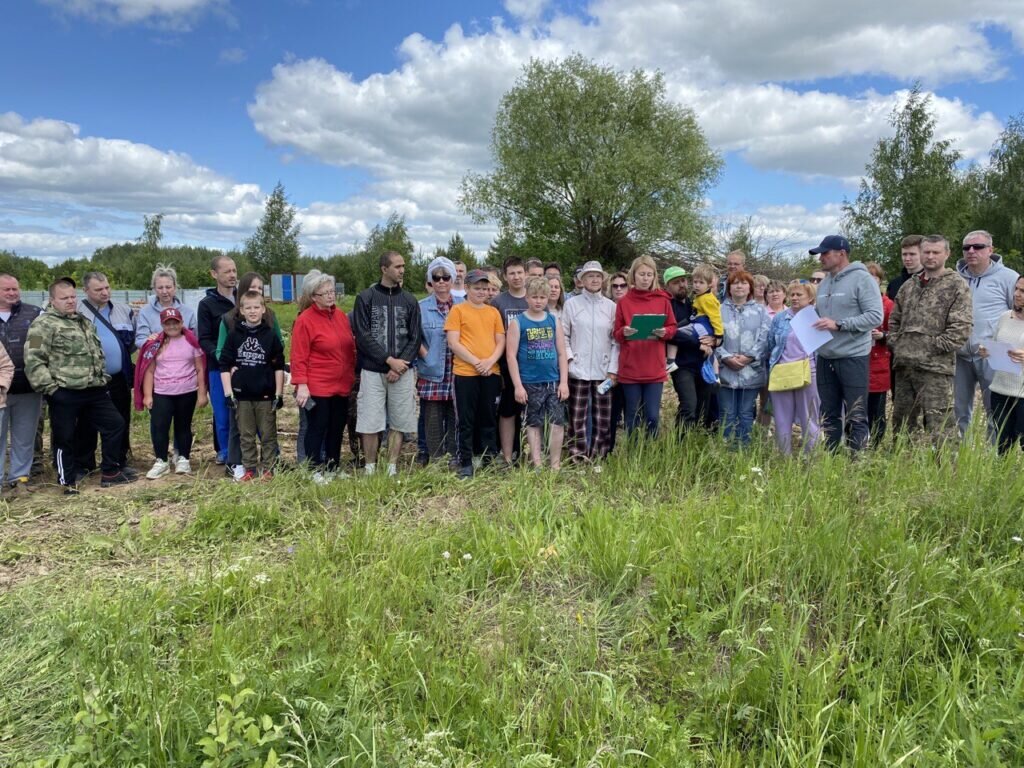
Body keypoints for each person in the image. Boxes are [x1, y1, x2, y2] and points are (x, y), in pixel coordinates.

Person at [25, 278, 133, 492]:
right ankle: (67, 481)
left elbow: (95, 354)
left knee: (115, 424)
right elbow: (33, 358)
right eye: (64, 298)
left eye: (73, 297)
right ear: (53, 300)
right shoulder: (41, 325)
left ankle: (110, 471)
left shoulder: (82, 321)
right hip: (64, 391)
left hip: (94, 390)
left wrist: (101, 378)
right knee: (65, 437)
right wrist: (51, 390)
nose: (70, 301)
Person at [888, 235, 973, 445]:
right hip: (904, 366)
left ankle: (945, 473)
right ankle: (905, 467)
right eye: (926, 252)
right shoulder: (909, 286)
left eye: (936, 252)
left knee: (941, 425)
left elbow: (960, 329)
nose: (930, 256)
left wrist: (929, 348)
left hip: (935, 369)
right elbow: (894, 321)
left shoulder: (956, 286)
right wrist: (898, 344)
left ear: (947, 254)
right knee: (902, 423)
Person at [809, 235, 883, 452]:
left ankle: (855, 463)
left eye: (825, 253)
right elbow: (820, 315)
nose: (821, 258)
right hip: (826, 356)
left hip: (853, 356)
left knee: (856, 414)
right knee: (829, 414)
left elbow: (875, 317)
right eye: (820, 254)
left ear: (841, 254)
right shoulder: (824, 283)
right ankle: (832, 460)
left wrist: (840, 324)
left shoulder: (863, 279)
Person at [352, 250, 421, 477]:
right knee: (370, 421)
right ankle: (370, 468)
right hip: (373, 371)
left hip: (402, 371)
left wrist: (400, 365)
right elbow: (362, 335)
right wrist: (387, 361)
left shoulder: (410, 300)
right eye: (397, 266)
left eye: (403, 266)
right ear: (384, 269)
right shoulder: (366, 298)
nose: (402, 270)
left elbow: (415, 337)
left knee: (400, 421)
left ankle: (391, 466)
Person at [291, 273, 357, 482]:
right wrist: (301, 384)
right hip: (318, 384)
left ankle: (332, 466)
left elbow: (349, 347)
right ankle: (313, 469)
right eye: (325, 293)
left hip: (341, 383)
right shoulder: (305, 320)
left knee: (337, 427)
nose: (331, 296)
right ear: (313, 297)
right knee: (317, 427)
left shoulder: (340, 317)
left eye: (332, 291)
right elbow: (298, 356)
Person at [216, 272, 282, 479]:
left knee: (268, 433)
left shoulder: (270, 334)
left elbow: (279, 364)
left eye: (257, 307)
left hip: (265, 393)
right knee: (245, 434)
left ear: (263, 309)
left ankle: (270, 468)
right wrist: (228, 393)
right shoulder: (234, 333)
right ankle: (249, 468)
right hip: (242, 394)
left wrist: (278, 393)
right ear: (241, 310)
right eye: (248, 308)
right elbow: (224, 363)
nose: (253, 311)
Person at [954, 229, 1018, 440]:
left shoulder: (1008, 278)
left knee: (995, 410)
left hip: (993, 355)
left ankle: (993, 456)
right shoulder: (955, 278)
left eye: (978, 247)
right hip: (960, 354)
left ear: (990, 250)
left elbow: (1018, 313)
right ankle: (962, 454)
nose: (971, 251)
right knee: (959, 410)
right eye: (966, 248)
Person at [445, 269, 505, 478]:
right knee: (466, 418)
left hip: (491, 372)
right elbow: (453, 342)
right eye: (477, 288)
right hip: (466, 373)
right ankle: (466, 461)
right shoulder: (458, 311)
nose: (481, 292)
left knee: (488, 416)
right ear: (467, 288)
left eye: (484, 288)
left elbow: (501, 341)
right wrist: (475, 361)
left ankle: (488, 457)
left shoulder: (493, 312)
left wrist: (489, 361)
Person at [75, 271, 136, 477]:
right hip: (87, 379)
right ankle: (84, 463)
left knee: (120, 419)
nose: (105, 292)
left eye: (107, 288)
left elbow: (132, 342)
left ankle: (118, 460)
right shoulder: (75, 311)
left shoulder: (123, 310)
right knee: (86, 422)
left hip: (118, 378)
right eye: (98, 289)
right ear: (85, 290)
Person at [136, 307, 206, 478]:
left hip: (186, 391)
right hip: (162, 392)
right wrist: (147, 395)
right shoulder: (156, 344)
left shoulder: (191, 342)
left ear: (182, 323)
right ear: (162, 325)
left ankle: (183, 458)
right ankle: (161, 460)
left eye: (176, 322)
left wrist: (202, 393)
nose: (172, 326)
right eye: (168, 323)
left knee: (183, 426)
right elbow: (149, 370)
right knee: (160, 427)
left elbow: (200, 368)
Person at [506, 277, 569, 470]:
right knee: (534, 423)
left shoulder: (553, 320)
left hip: (552, 381)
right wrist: (517, 385)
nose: (538, 301)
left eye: (542, 297)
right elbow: (510, 356)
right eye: (534, 297)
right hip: (530, 382)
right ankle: (537, 462)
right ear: (527, 297)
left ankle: (555, 463)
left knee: (557, 422)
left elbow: (561, 352)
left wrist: (564, 382)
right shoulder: (518, 322)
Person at [613, 255, 677, 437]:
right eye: (642, 274)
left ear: (654, 276)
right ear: (633, 276)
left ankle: (651, 456)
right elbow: (616, 333)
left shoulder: (662, 300)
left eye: (649, 274)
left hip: (654, 367)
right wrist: (624, 332)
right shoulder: (624, 302)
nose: (645, 278)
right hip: (631, 367)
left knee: (652, 416)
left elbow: (673, 328)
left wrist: (665, 332)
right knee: (632, 415)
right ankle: (634, 456)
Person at [562, 260, 617, 461]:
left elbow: (615, 340)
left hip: (603, 370)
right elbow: (564, 336)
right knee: (577, 417)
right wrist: (569, 361)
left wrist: (613, 368)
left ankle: (598, 456)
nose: (594, 280)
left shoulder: (611, 307)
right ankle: (577, 457)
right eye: (590, 276)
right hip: (578, 369)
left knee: (602, 418)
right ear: (581, 280)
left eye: (597, 276)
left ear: (603, 280)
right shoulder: (571, 304)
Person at [716, 271, 770, 447]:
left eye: (744, 283)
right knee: (727, 412)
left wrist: (748, 357)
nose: (739, 286)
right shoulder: (719, 310)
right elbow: (713, 337)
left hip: (751, 371)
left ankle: (743, 448)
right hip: (725, 371)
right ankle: (725, 449)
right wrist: (726, 357)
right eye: (735, 283)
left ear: (750, 288)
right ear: (729, 288)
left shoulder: (760, 311)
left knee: (746, 412)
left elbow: (765, 337)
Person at [417, 256, 462, 465]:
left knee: (455, 415)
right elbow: (412, 336)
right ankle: (435, 460)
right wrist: (425, 354)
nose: (441, 281)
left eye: (446, 277)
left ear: (452, 279)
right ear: (430, 281)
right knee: (432, 418)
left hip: (458, 368)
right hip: (433, 368)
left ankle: (453, 456)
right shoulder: (421, 307)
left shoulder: (464, 305)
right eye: (436, 278)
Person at [0, 274, 43, 490]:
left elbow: (37, 344)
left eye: (15, 289)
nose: (12, 293)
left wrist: (33, 362)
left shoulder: (33, 314)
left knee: (24, 436)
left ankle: (19, 478)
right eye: (6, 289)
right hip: (1, 391)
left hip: (27, 386)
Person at [767, 282, 820, 455]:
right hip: (782, 372)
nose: (795, 298)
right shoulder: (780, 318)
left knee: (809, 418)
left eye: (799, 295)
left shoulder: (817, 317)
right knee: (782, 419)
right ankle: (784, 458)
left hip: (808, 372)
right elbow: (771, 344)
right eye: (792, 295)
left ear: (810, 298)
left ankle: (811, 458)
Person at [664, 266, 716, 430]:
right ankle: (679, 445)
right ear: (668, 286)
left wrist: (714, 340)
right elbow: (670, 333)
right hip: (681, 365)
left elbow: (713, 323)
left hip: (702, 362)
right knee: (688, 406)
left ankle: (696, 444)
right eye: (676, 282)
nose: (681, 285)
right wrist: (698, 343)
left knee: (703, 408)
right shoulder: (667, 306)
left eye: (683, 280)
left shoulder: (696, 303)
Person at [197, 255, 237, 464]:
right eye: (227, 271)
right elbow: (203, 339)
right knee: (222, 412)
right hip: (218, 368)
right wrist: (221, 356)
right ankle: (224, 451)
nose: (232, 275)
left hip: (244, 366)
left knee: (249, 410)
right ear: (214, 274)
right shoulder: (207, 305)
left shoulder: (245, 299)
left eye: (234, 271)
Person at [491, 256, 529, 464]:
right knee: (507, 411)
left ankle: (530, 455)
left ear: (526, 274)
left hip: (532, 365)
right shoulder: (498, 302)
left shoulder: (533, 298)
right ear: (505, 277)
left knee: (532, 413)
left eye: (519, 272)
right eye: (512, 273)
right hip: (506, 365)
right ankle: (506, 456)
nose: (516, 277)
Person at [982, 276, 1024, 454]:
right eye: (1016, 289)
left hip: (1022, 393)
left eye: (1023, 291)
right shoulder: (1004, 317)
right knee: (1002, 445)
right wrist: (986, 350)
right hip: (1000, 390)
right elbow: (994, 342)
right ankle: (1003, 481)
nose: (1017, 294)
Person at [865, 262, 893, 444]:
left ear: (880, 280)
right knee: (857, 407)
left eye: (874, 277)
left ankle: (875, 445)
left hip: (879, 362)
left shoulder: (888, 305)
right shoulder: (856, 303)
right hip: (858, 361)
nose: (870, 280)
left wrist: (883, 335)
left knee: (876, 409)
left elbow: (898, 333)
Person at [135, 264, 197, 348]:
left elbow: (196, 339)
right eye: (160, 288)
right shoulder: (145, 312)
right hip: (157, 359)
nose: (164, 291)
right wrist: (148, 340)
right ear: (154, 289)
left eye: (168, 287)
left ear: (175, 287)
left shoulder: (188, 312)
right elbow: (140, 340)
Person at [605, 271, 629, 452]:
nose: (619, 289)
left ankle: (633, 453)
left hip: (630, 367)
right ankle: (607, 450)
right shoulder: (606, 307)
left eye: (623, 285)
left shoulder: (633, 307)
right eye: (615, 286)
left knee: (633, 412)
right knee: (611, 412)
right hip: (608, 368)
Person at [885, 235, 924, 302]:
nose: (907, 259)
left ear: (923, 254)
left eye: (912, 254)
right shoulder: (894, 284)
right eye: (904, 254)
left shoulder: (933, 282)